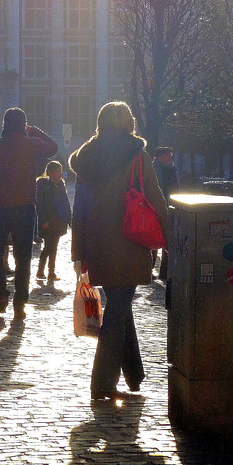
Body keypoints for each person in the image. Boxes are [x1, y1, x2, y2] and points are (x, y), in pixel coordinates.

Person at [69, 101, 170, 400]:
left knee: (119, 305)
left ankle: (134, 374)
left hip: (98, 242)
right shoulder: (137, 156)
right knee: (118, 310)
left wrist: (78, 252)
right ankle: (102, 382)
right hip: (129, 239)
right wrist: (170, 236)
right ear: (128, 122)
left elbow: (80, 209)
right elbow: (156, 198)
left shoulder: (86, 158)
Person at [0, 107, 58, 319]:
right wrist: (34, 130)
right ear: (23, 124)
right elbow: (53, 147)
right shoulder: (32, 144)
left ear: (4, 124)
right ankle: (20, 301)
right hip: (25, 207)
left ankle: (0, 295)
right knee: (23, 256)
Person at [35, 160, 71, 281]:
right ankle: (42, 271)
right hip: (49, 222)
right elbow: (40, 204)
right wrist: (44, 220)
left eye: (60, 171)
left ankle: (50, 272)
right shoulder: (43, 185)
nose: (59, 174)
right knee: (49, 247)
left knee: (53, 247)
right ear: (49, 172)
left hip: (59, 221)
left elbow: (65, 202)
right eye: (57, 171)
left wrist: (69, 218)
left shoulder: (60, 184)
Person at [151, 146, 180, 280]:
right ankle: (149, 269)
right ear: (161, 157)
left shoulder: (172, 170)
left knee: (168, 240)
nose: (171, 158)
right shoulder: (154, 169)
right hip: (157, 209)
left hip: (171, 208)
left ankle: (165, 272)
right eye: (168, 155)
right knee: (154, 240)